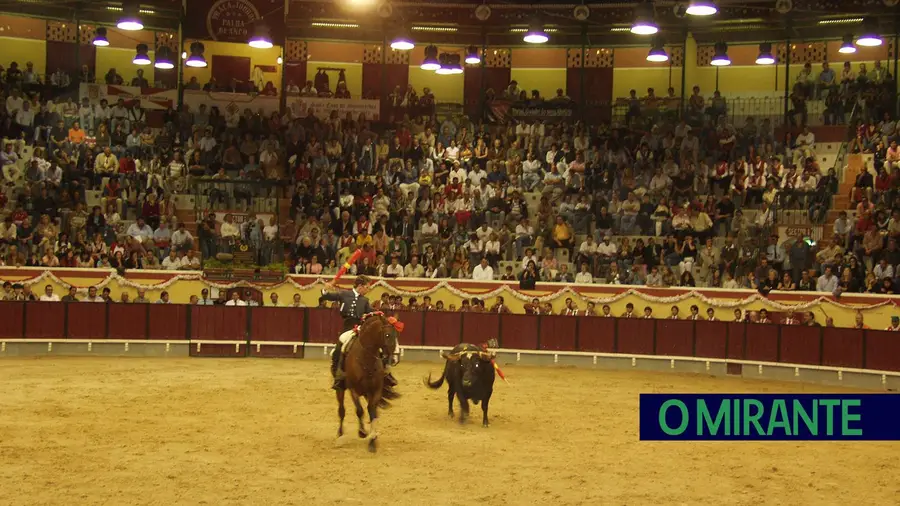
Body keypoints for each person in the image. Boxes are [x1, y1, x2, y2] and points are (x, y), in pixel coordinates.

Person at [319, 276, 397, 390]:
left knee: (379, 347)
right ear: (360, 286)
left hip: (361, 328)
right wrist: (326, 289)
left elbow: (371, 311)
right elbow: (327, 296)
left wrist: (384, 317)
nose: (368, 290)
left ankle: (385, 373)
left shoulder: (364, 300)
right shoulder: (344, 294)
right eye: (367, 287)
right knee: (338, 350)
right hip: (348, 328)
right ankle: (339, 376)